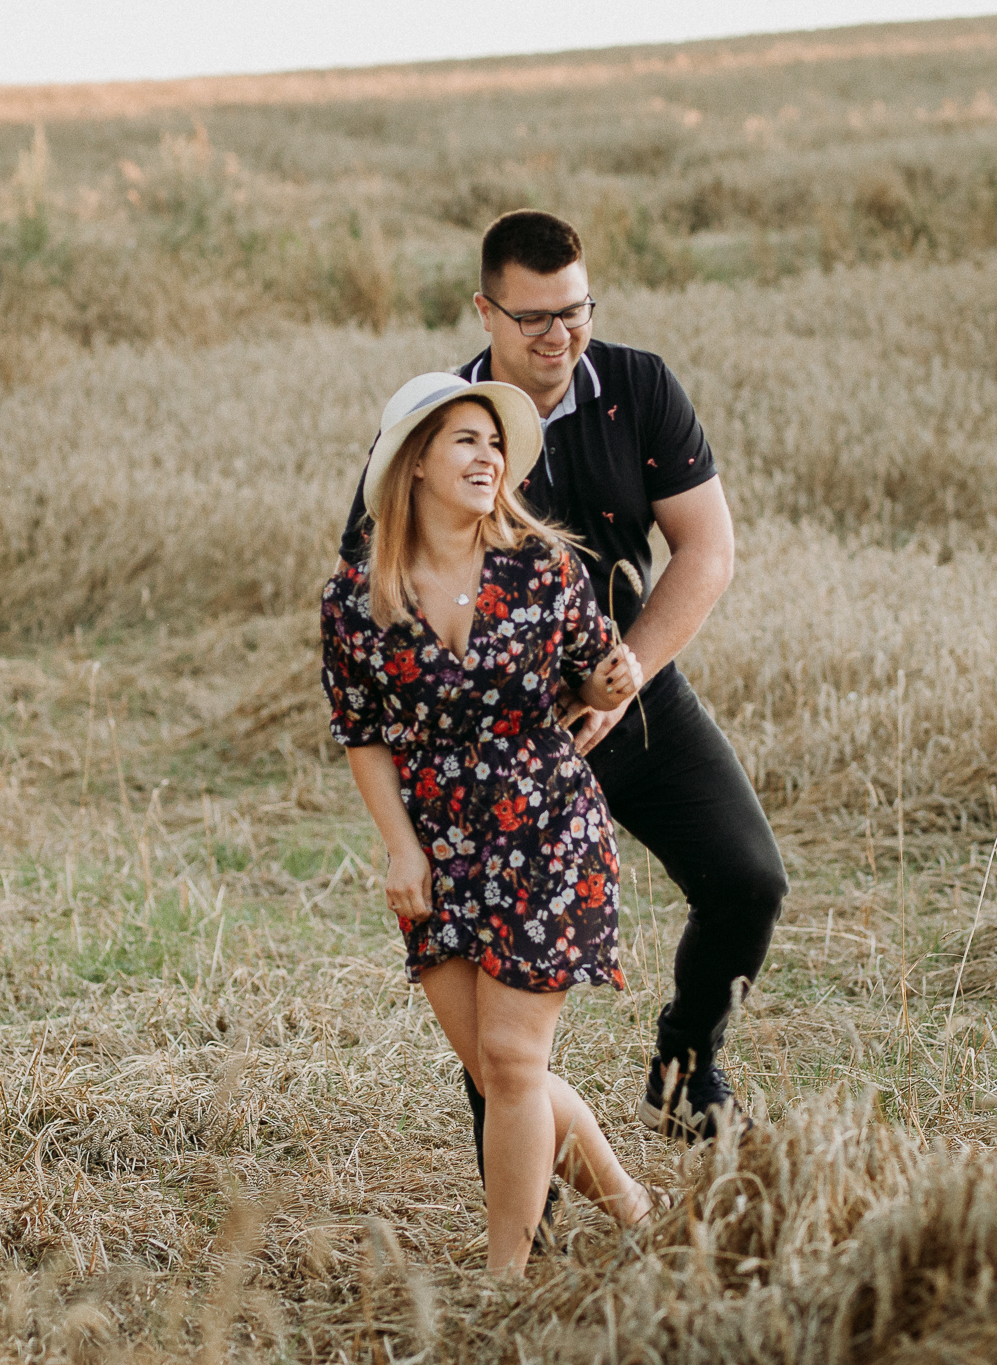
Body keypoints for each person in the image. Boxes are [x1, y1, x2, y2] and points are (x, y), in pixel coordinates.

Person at [338, 211, 789, 1153]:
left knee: (748, 880)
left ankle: (684, 1069)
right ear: (485, 312)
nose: (560, 335)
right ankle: (524, 1197)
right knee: (491, 982)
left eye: (576, 311)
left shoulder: (638, 385)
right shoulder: (441, 424)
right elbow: (371, 584)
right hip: (492, 737)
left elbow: (707, 549)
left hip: (629, 687)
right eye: (535, 317)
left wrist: (629, 675)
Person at [321, 371, 654, 1277]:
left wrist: (612, 681)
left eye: (496, 443)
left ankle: (506, 1287)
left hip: (548, 827)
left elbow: (595, 674)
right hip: (439, 847)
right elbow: (362, 733)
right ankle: (636, 1212)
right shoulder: (356, 599)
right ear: (414, 461)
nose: (489, 457)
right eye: (466, 439)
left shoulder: (543, 567)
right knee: (505, 1073)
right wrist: (401, 849)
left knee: (511, 1060)